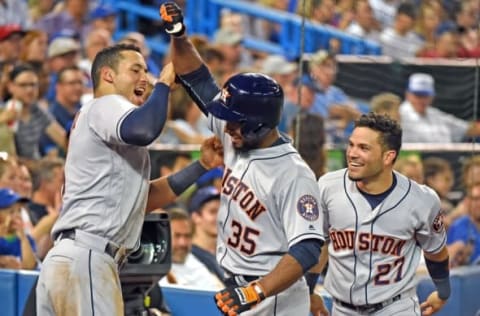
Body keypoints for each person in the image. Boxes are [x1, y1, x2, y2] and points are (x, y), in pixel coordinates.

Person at [160, 3, 327, 316]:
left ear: (261, 122)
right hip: (238, 287)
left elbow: (308, 249)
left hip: (272, 295)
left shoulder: (293, 174)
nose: (228, 126)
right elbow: (195, 77)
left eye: (236, 121)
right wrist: (179, 36)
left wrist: (256, 291)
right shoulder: (235, 134)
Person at [36, 42, 224, 315]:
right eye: (135, 70)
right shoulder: (105, 105)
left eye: (146, 71)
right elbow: (145, 128)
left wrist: (202, 166)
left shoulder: (107, 126)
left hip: (74, 257)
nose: (143, 78)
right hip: (88, 256)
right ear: (108, 76)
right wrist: (163, 84)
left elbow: (143, 200)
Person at [315, 112, 450, 315]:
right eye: (351, 145)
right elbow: (320, 243)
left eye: (363, 148)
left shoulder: (422, 200)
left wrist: (443, 292)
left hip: (395, 308)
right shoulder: (328, 186)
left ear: (388, 156)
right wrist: (308, 290)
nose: (352, 153)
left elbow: (436, 251)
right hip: (342, 309)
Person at [400, 73, 480, 143]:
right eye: (418, 95)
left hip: (444, 158)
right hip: (409, 159)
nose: (422, 100)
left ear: (432, 96)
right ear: (408, 94)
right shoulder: (398, 114)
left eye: (425, 95)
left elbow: (468, 129)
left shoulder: (436, 115)